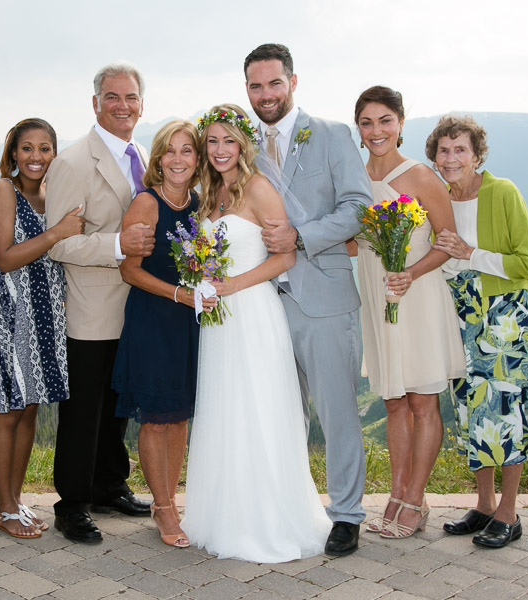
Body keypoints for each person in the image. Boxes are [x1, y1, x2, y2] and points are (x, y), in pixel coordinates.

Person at [181, 104, 331, 563]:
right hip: (219, 323)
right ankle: (223, 513)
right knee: (225, 410)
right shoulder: (210, 193)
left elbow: (284, 257)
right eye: (213, 141)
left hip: (253, 313)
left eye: (229, 140)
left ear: (243, 145)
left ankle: (264, 519)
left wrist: (232, 285)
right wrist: (202, 283)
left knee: (258, 410)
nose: (221, 150)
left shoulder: (260, 189)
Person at [243, 43, 372, 556]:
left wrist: (299, 236)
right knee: (279, 413)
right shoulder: (242, 143)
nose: (266, 94)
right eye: (256, 86)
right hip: (261, 302)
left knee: (336, 411)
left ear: (293, 82)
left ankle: (346, 514)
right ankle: (288, 506)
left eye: (274, 83)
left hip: (323, 296)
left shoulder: (333, 134)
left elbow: (359, 207)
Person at [44, 62, 156, 544]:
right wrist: (117, 245)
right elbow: (58, 245)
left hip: (137, 304)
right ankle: (71, 505)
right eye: (112, 97)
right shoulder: (71, 163)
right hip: (90, 308)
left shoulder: (143, 154)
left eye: (130, 97)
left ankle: (109, 484)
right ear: (95, 103)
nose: (122, 106)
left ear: (141, 103)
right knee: (84, 411)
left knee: (117, 406)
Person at [428, 114, 528, 549]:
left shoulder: (503, 192)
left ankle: (509, 513)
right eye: (444, 149)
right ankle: (483, 504)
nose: (452, 157)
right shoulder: (433, 196)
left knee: (508, 415)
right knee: (473, 412)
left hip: (503, 318)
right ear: (434, 157)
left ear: (478, 155)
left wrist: (471, 253)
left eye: (461, 149)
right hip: (459, 317)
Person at [0, 118, 83, 539]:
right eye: (27, 148)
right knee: (7, 410)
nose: (36, 157)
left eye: (45, 148)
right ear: (13, 152)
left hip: (42, 315)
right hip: (3, 314)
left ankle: (16, 499)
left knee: (29, 408)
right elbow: (6, 257)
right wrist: (57, 232)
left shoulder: (52, 194)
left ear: (54, 153)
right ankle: (5, 507)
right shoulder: (1, 190)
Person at [353, 87, 466, 538]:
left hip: (416, 297)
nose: (376, 131)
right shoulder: (355, 178)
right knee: (393, 402)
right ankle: (395, 494)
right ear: (358, 128)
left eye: (384, 120)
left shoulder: (419, 176)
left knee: (422, 401)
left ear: (400, 122)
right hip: (378, 304)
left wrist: (411, 273)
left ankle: (417, 500)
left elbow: (447, 240)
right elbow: (352, 240)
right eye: (366, 122)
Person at [112, 119, 208, 548]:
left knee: (180, 414)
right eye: (170, 150)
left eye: (187, 150)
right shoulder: (147, 203)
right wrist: (177, 294)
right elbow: (128, 269)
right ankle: (164, 506)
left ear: (197, 158)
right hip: (155, 318)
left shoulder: (201, 205)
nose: (178, 159)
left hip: (190, 323)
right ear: (158, 159)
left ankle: (167, 498)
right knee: (155, 417)